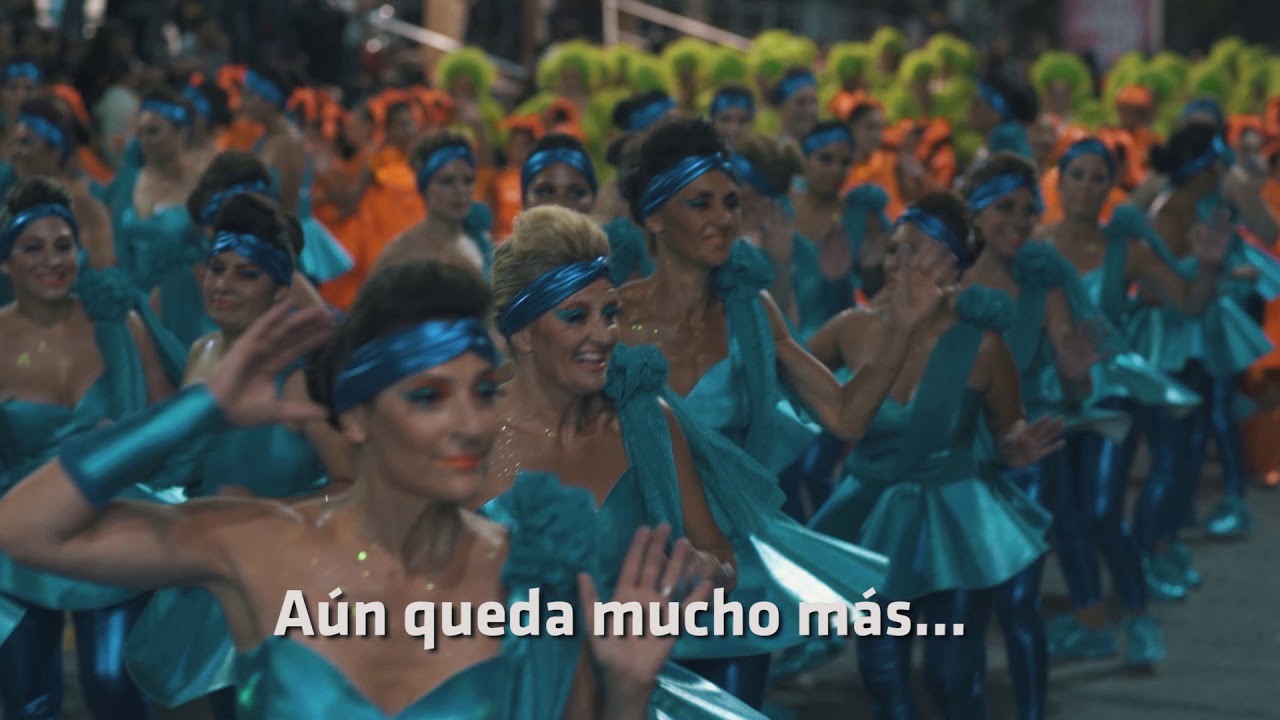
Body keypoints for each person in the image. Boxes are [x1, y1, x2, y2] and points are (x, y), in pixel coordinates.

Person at [0, 259, 712, 720]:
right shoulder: (260, 544)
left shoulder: (527, 573)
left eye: (481, 391)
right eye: (429, 396)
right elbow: (25, 529)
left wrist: (626, 693)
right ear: (358, 418)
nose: (470, 424)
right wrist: (200, 408)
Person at [614, 117, 951, 706]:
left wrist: (901, 329)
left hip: (733, 568)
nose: (724, 218)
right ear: (654, 217)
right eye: (700, 203)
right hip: (632, 562)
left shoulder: (753, 311)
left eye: (730, 202)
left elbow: (845, 417)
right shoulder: (608, 319)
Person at [806, 190, 1062, 719]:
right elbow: (782, 378)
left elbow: (1007, 423)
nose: (897, 263)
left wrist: (1013, 445)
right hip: (873, 514)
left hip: (954, 519)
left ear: (953, 267)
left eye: (914, 251)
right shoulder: (852, 328)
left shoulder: (982, 346)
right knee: (883, 676)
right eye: (893, 249)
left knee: (952, 678)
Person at [0, 177, 184, 720]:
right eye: (33, 248)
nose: (53, 261)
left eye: (64, 245)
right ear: (6, 263)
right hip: (20, 541)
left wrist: (126, 452)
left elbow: (168, 426)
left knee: (114, 688)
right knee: (27, 700)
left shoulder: (119, 323)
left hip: (113, 527)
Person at [1039, 137, 1224, 661]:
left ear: (1111, 188)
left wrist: (1208, 267)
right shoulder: (1036, 246)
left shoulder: (1128, 250)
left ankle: (1140, 619)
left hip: (1111, 395)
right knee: (1065, 516)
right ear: (1059, 181)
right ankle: (1091, 620)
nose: (1086, 187)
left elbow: (1188, 303)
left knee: (1102, 512)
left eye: (1099, 177)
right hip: (1053, 395)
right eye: (1077, 175)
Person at [371, 131, 492, 277]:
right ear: (424, 187)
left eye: (468, 181)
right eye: (447, 181)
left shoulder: (481, 241)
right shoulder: (402, 252)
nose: (460, 190)